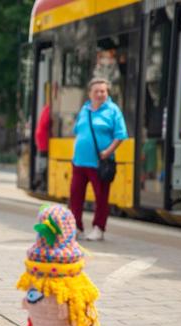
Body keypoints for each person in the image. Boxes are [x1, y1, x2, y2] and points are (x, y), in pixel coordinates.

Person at [69, 78, 128, 241]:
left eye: (103, 91)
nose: (100, 94)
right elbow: (78, 132)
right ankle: (77, 227)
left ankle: (99, 228)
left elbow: (121, 135)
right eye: (96, 91)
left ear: (107, 93)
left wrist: (108, 151)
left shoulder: (113, 110)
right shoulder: (85, 109)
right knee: (75, 196)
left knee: (101, 197)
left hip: (99, 163)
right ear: (90, 93)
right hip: (79, 162)